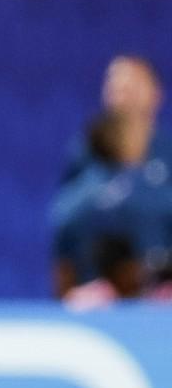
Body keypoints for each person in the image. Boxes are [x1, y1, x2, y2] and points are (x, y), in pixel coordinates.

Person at [54, 56, 170, 295]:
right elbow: (63, 217)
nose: (122, 97)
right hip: (98, 291)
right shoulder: (89, 151)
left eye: (131, 88)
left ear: (156, 94)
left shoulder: (168, 152)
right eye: (115, 89)